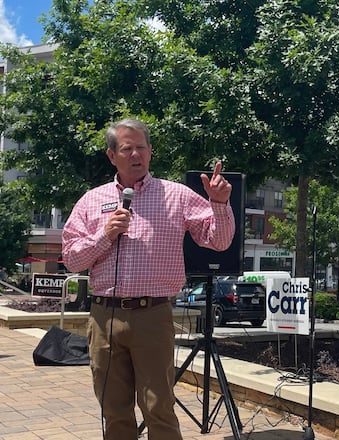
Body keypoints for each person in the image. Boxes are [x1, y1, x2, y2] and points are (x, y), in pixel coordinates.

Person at [62, 118, 235, 439]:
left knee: (159, 408)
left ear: (151, 152)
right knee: (113, 411)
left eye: (141, 147)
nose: (136, 154)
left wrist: (220, 204)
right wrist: (105, 234)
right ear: (112, 155)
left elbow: (218, 241)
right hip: (103, 318)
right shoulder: (92, 200)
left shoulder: (177, 196)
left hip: (153, 316)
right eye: (127, 149)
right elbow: (72, 258)